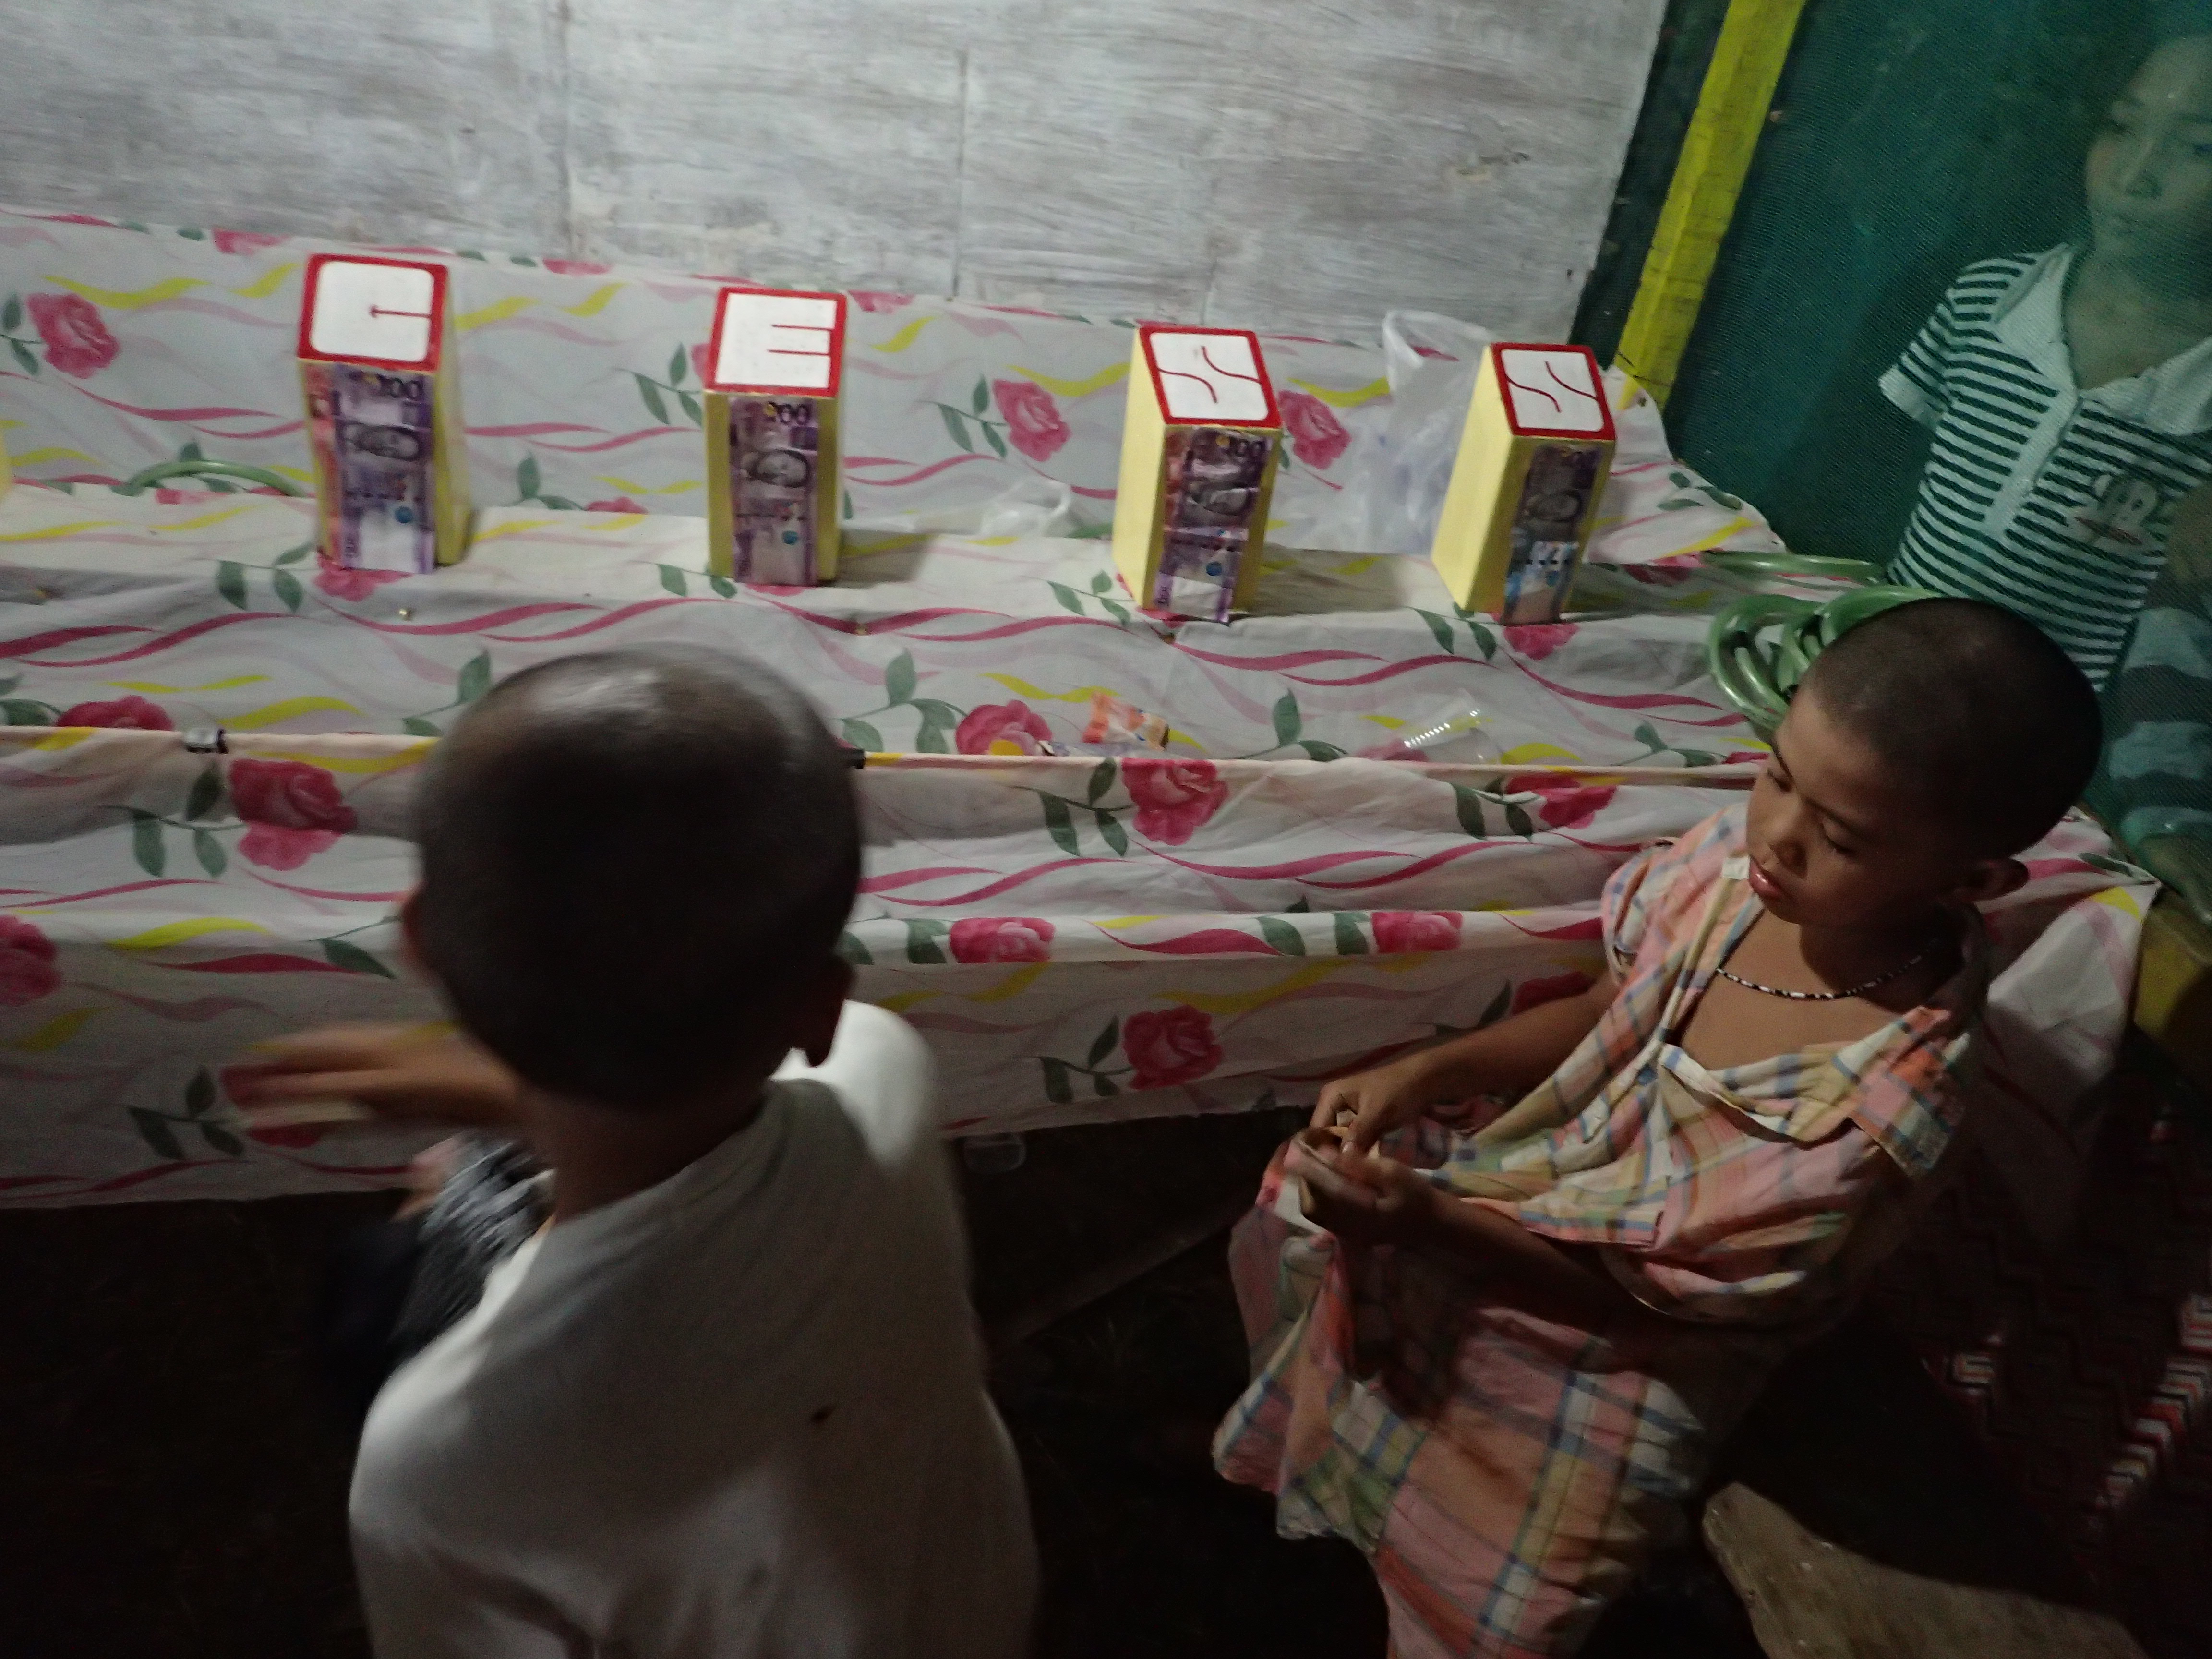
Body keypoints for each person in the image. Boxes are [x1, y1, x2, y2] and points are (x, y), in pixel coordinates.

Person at [1212, 598, 2103, 1657]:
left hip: (1649, 1330)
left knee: (1518, 1542)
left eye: (1840, 838)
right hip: (1550, 1175)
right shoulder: (1732, 873)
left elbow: (1669, 1297)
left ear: (1974, 882)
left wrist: (1430, 1224)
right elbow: (1611, 1010)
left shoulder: (1877, 1111)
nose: (1777, 836)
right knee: (1307, 1207)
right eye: (1778, 776)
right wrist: (1426, 1072)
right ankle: (1290, 1456)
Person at [224, 647, 1036, 1659]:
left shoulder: (442, 1459)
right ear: (822, 1007)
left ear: (420, 942)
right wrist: (498, 1094)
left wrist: (490, 1111)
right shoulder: (883, 1076)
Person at [1881, 11, 2212, 914]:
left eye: (2196, 149)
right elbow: (1892, 479)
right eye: (2120, 126)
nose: (2135, 175)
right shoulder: (1989, 299)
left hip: (2042, 770)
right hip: (1886, 686)